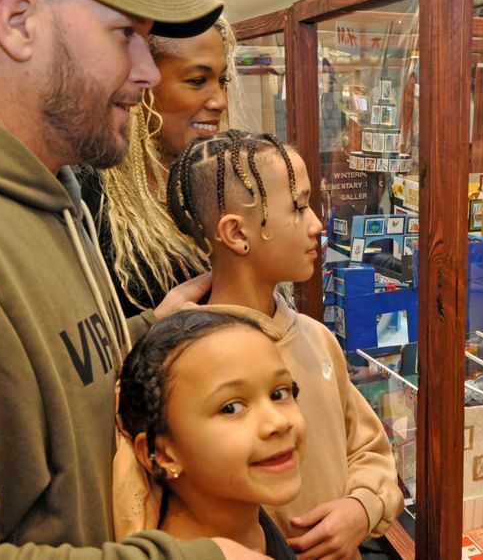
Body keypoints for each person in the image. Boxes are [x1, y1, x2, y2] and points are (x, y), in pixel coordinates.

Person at [0, 0, 269, 558]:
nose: (148, 71)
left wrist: (146, 334)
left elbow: (50, 382)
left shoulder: (50, 196)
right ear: (17, 23)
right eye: (122, 34)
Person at [161, 130, 403, 558]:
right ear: (236, 233)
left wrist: (361, 508)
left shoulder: (317, 338)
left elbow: (367, 446)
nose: (316, 224)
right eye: (298, 206)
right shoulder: (183, 360)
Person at [81, 17, 237, 316]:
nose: (219, 101)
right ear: (140, 80)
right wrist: (156, 325)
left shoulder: (228, 182)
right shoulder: (89, 196)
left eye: (223, 81)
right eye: (197, 81)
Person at [119, 309, 304, 558]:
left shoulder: (250, 524)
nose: (278, 422)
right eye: (231, 408)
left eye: (279, 393)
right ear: (162, 453)